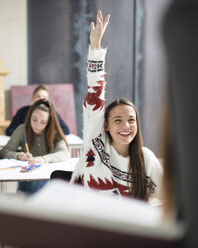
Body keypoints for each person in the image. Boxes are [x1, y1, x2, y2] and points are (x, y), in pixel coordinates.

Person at [69, 10, 163, 205]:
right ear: (105, 125)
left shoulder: (147, 159)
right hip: (85, 224)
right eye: (117, 120)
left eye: (131, 120)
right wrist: (95, 49)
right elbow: (94, 98)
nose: (126, 126)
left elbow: (165, 199)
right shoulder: (95, 144)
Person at [0, 99, 70, 194]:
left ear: (49, 121)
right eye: (34, 119)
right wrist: (19, 155)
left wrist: (43, 159)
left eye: (43, 122)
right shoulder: (22, 129)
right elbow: (5, 151)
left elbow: (64, 153)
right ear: (30, 116)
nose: (37, 125)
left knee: (34, 188)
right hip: (25, 175)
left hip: (44, 176)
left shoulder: (55, 132)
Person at [5, 85, 70, 136]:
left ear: (48, 100)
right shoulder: (22, 111)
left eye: (44, 97)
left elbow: (66, 130)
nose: (41, 99)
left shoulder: (53, 113)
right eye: (38, 96)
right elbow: (9, 130)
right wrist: (27, 135)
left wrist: (47, 133)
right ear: (33, 98)